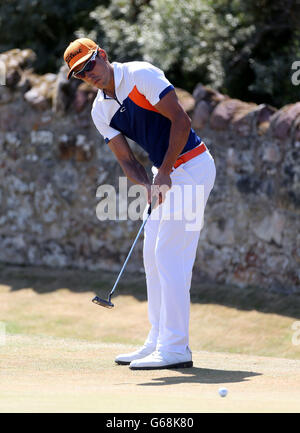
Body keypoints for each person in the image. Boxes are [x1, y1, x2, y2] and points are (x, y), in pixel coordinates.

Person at [64, 38, 216, 370]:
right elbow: (127, 160)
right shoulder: (100, 110)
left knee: (169, 254)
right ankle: (158, 340)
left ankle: (176, 347)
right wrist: (149, 185)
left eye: (90, 64)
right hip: (164, 173)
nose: (88, 74)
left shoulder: (141, 75)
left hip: (191, 166)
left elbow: (182, 121)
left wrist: (163, 173)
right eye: (79, 73)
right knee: (151, 254)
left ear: (102, 55)